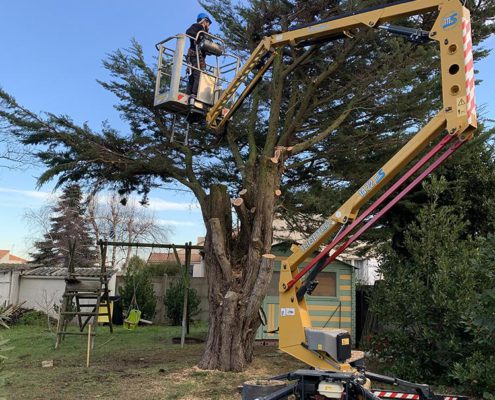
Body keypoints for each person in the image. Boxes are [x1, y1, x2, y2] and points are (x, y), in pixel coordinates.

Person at [186, 13, 212, 102]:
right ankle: (193, 94)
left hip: (199, 56)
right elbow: (189, 32)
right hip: (194, 55)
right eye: (208, 22)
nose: (208, 25)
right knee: (197, 75)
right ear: (204, 20)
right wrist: (199, 36)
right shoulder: (197, 27)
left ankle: (190, 93)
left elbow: (209, 44)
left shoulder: (205, 33)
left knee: (194, 75)